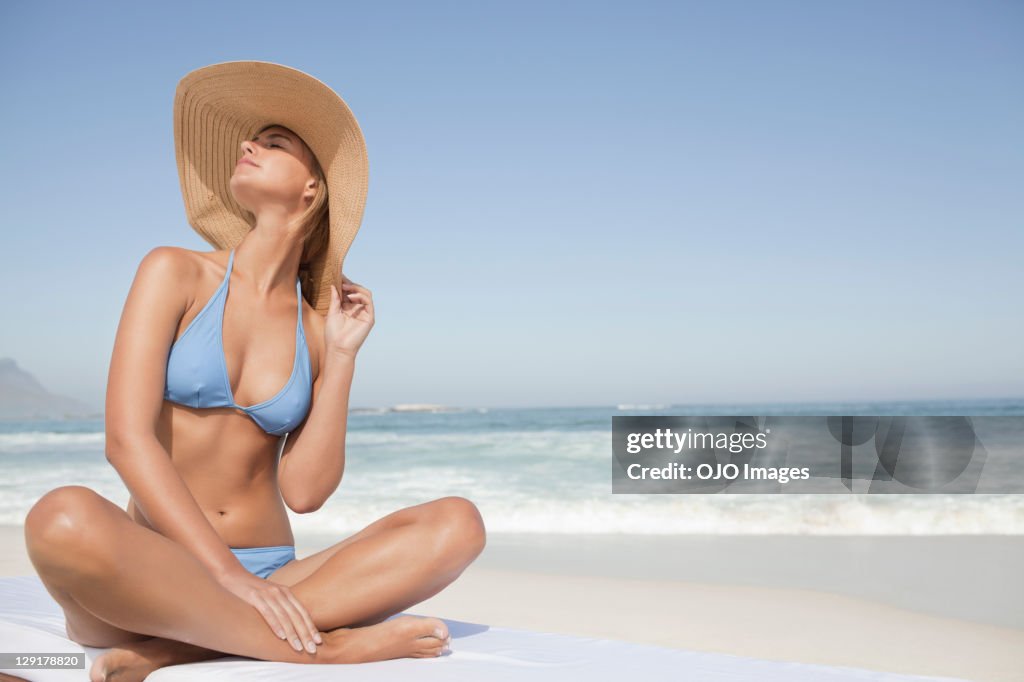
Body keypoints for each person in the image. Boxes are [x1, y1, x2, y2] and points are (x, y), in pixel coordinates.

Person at [23, 61, 486, 680]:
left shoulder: (318, 331)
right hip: (157, 567)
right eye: (253, 140)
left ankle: (175, 651)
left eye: (274, 144)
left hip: (276, 571)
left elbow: (305, 493)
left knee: (458, 524)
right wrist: (227, 577)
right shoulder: (174, 272)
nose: (248, 146)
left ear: (312, 190)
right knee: (61, 516)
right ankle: (322, 645)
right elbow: (126, 441)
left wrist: (344, 357)